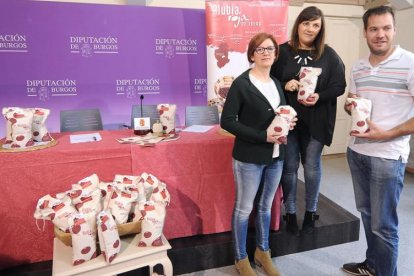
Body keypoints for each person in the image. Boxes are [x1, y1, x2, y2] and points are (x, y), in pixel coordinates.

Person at [342, 5, 414, 276]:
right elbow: (351, 102)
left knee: (383, 225)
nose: (380, 34)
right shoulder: (359, 66)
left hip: (388, 155)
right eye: (374, 29)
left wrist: (386, 133)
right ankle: (373, 265)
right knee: (367, 215)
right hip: (357, 151)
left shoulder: (409, 63)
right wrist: (351, 106)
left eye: (386, 28)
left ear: (394, 30)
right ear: (365, 32)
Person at [270, 6, 346, 235]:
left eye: (315, 25)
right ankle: (291, 211)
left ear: (320, 29)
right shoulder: (281, 51)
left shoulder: (329, 55)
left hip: (317, 120)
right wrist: (285, 84)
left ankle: (311, 211)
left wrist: (320, 97)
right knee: (290, 167)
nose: (310, 29)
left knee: (312, 167)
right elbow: (268, 79)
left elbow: (339, 86)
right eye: (306, 23)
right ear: (298, 24)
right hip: (288, 122)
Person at [221, 32, 291, 276]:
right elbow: (227, 121)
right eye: (260, 49)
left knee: (265, 207)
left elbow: (279, 114)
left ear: (275, 53)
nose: (266, 52)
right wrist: (262, 136)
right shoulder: (242, 84)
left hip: (276, 156)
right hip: (249, 157)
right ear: (252, 54)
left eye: (270, 48)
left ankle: (263, 252)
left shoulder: (276, 83)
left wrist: (288, 121)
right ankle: (241, 259)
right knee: (243, 209)